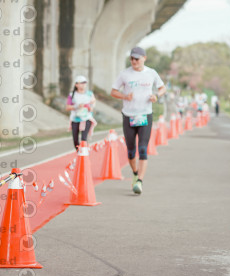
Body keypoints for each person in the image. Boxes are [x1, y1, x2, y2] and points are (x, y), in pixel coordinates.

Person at [110, 47, 166, 195]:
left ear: (144, 58)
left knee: (142, 149)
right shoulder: (125, 74)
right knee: (131, 151)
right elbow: (113, 91)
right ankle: (135, 173)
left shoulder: (151, 73)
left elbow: (162, 88)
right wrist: (125, 96)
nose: (134, 61)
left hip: (145, 115)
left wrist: (156, 96)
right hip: (129, 115)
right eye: (132, 59)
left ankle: (140, 181)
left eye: (137, 58)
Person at [65, 75, 97, 150]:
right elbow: (67, 107)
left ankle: (84, 154)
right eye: (81, 83)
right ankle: (79, 153)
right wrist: (77, 106)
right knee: (75, 141)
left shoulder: (89, 94)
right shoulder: (72, 95)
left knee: (83, 139)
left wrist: (89, 107)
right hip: (75, 119)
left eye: (84, 82)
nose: (83, 84)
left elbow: (92, 106)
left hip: (86, 118)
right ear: (76, 84)